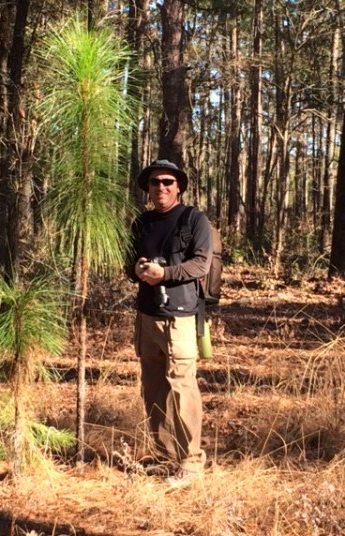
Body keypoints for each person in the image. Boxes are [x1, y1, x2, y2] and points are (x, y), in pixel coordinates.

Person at [126, 159, 213, 488]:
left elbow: (201, 264)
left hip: (181, 317)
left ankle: (191, 462)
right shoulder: (142, 222)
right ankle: (164, 458)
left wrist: (166, 274)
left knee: (182, 387)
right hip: (147, 316)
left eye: (167, 182)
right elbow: (128, 262)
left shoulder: (194, 220)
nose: (160, 187)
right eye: (153, 182)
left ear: (178, 186)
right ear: (146, 188)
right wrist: (138, 269)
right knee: (153, 388)